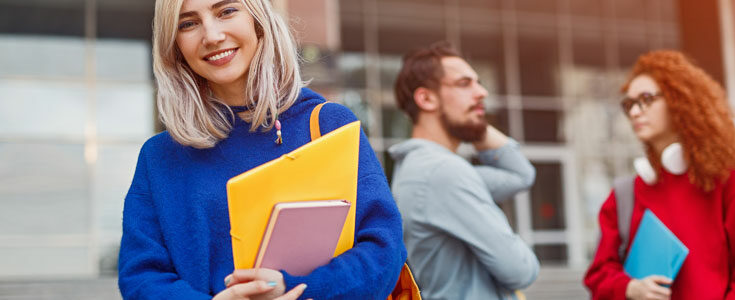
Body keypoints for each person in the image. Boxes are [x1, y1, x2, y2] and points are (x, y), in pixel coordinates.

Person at [116, 0, 406, 299]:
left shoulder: (327, 124)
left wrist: (296, 290)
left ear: (258, 20)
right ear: (175, 45)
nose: (212, 36)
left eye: (226, 11)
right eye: (188, 23)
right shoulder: (160, 156)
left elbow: (384, 250)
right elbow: (141, 277)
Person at [583, 50, 735, 300]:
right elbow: (598, 276)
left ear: (678, 101)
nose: (634, 112)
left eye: (646, 99)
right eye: (629, 104)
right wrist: (630, 288)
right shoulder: (625, 195)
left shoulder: (730, 184)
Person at [388, 41, 540, 300]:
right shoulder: (443, 172)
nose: (482, 92)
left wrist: (477, 125)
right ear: (426, 98)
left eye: (478, 82)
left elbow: (521, 176)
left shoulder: (423, 169)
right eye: (464, 84)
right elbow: (521, 270)